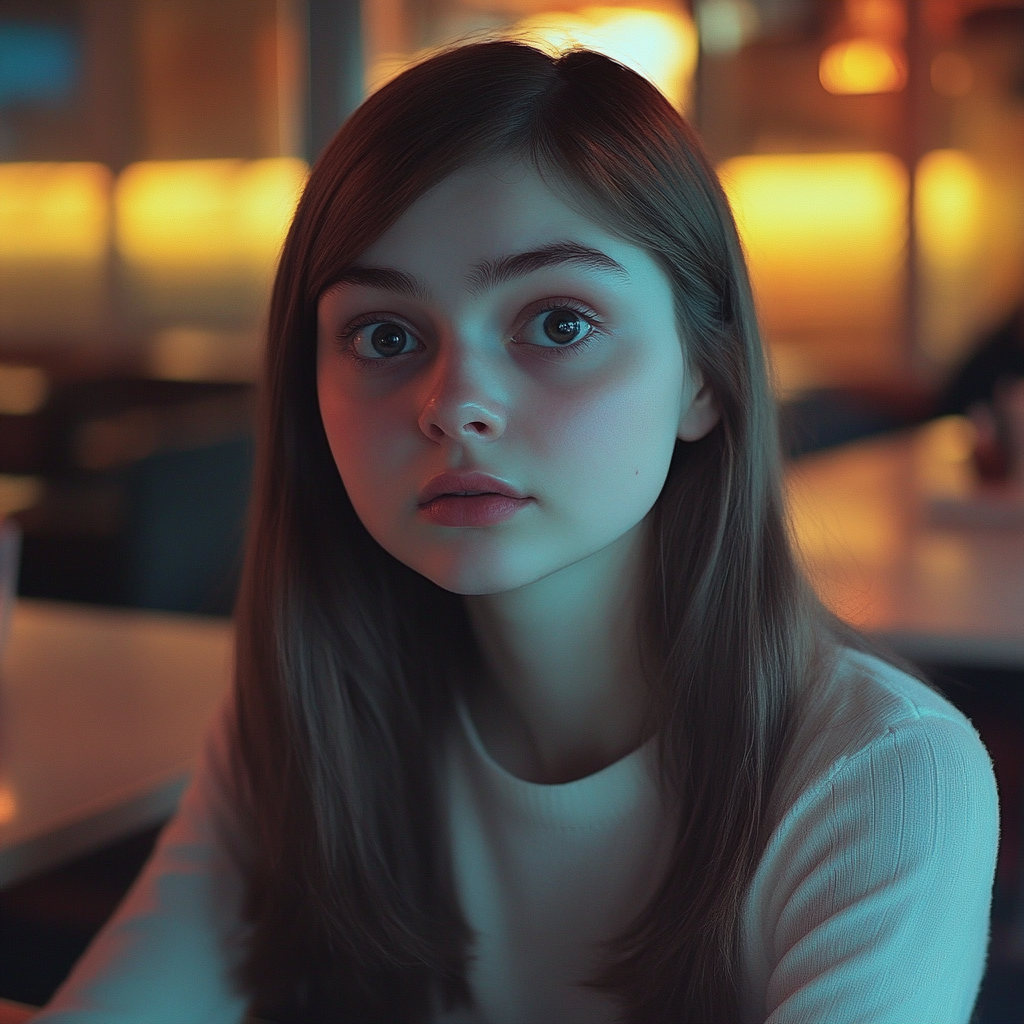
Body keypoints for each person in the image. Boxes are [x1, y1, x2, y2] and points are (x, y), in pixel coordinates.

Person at [33, 41, 998, 1024]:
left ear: (703, 379)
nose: (456, 405)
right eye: (386, 335)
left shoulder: (881, 775)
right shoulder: (307, 722)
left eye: (558, 323)